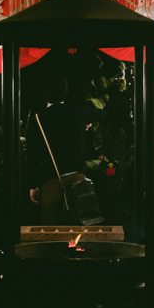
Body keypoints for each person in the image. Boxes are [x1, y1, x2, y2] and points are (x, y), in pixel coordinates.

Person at [26, 74, 106, 223]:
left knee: (51, 231)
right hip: (78, 179)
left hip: (50, 180)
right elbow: (102, 114)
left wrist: (32, 185)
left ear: (44, 94)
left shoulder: (37, 118)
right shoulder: (78, 111)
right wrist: (86, 124)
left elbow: (32, 155)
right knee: (80, 227)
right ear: (66, 92)